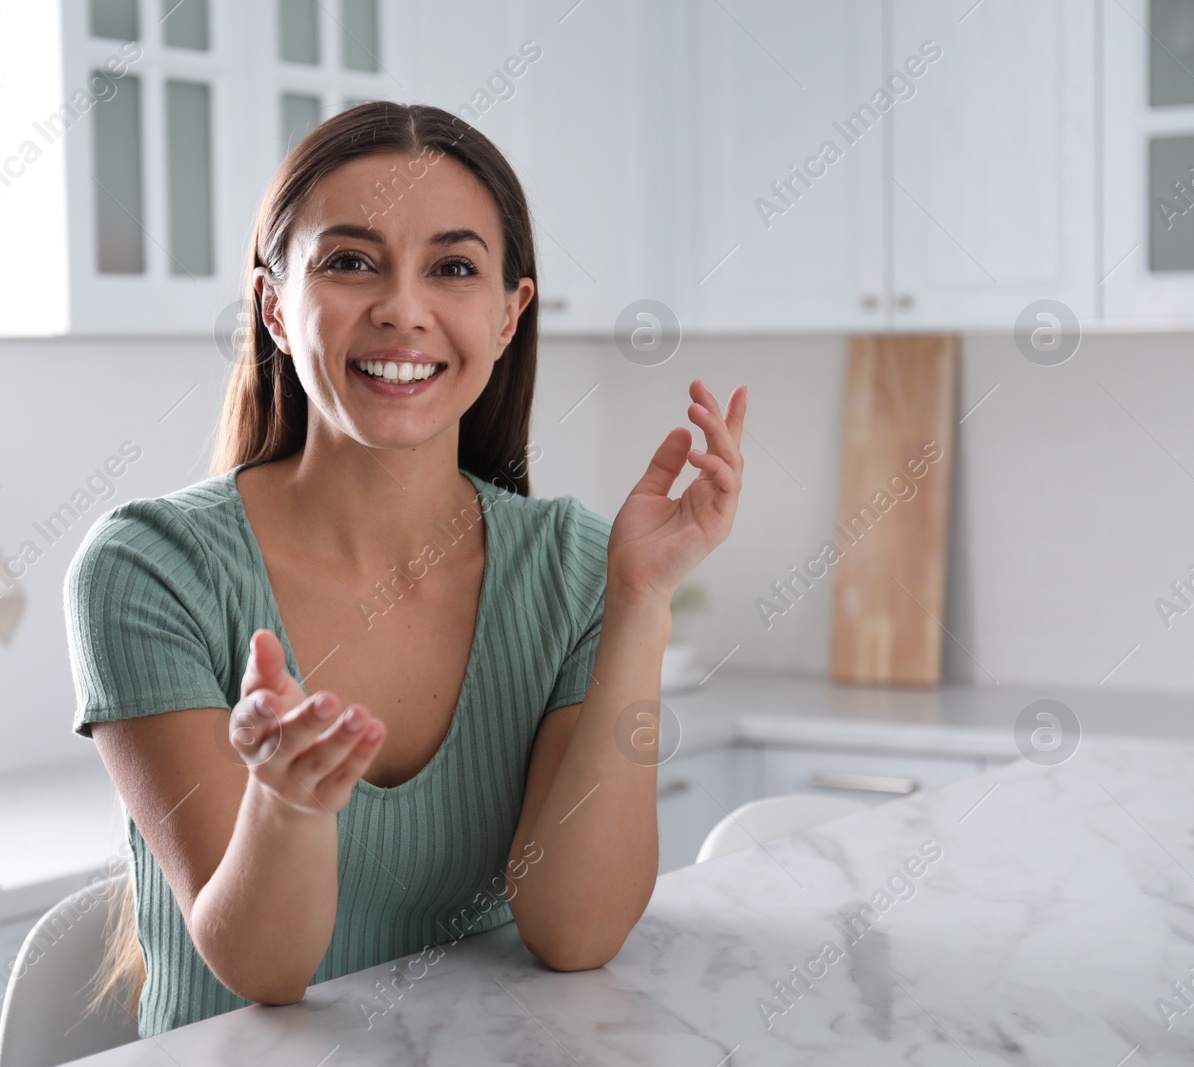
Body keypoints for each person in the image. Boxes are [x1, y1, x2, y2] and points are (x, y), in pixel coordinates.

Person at [63, 100, 747, 1038]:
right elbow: (264, 967)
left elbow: (576, 930)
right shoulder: (150, 571)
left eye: (454, 268)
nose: (402, 308)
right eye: (349, 262)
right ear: (272, 303)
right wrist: (287, 803)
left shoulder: (579, 565)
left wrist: (640, 602)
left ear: (509, 317)